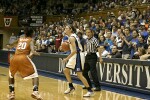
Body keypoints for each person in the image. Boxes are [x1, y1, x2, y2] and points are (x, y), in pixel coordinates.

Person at [7, 27, 43, 100]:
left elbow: (11, 45)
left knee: (11, 75)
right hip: (23, 57)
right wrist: (37, 53)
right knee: (35, 75)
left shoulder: (20, 38)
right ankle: (35, 91)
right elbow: (32, 51)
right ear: (32, 33)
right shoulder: (31, 40)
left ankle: (12, 93)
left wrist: (10, 46)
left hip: (14, 58)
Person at [63, 25, 94, 97]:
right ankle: (71, 86)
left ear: (70, 30)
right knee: (66, 70)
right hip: (75, 56)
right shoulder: (73, 36)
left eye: (66, 28)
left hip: (78, 56)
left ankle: (89, 90)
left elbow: (74, 51)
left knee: (79, 74)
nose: (65, 29)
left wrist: (67, 58)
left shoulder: (71, 37)